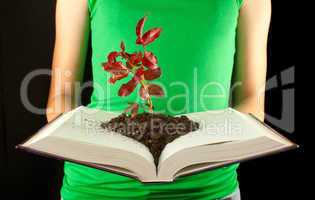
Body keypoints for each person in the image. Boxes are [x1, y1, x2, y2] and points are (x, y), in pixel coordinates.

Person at [46, 0, 271, 199]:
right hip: (98, 188)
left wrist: (208, 148)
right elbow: (60, 99)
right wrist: (88, 140)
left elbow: (252, 102)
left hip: (207, 188)